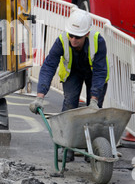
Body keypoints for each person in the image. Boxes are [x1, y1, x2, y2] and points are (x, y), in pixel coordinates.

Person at [29, 9, 109, 161]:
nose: (73, 40)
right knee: (69, 106)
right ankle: (67, 149)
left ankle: (91, 150)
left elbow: (100, 72)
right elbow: (49, 66)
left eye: (77, 37)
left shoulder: (98, 41)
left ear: (86, 34)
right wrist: (40, 96)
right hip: (73, 73)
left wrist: (94, 100)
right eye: (71, 35)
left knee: (94, 111)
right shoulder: (62, 40)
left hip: (94, 74)